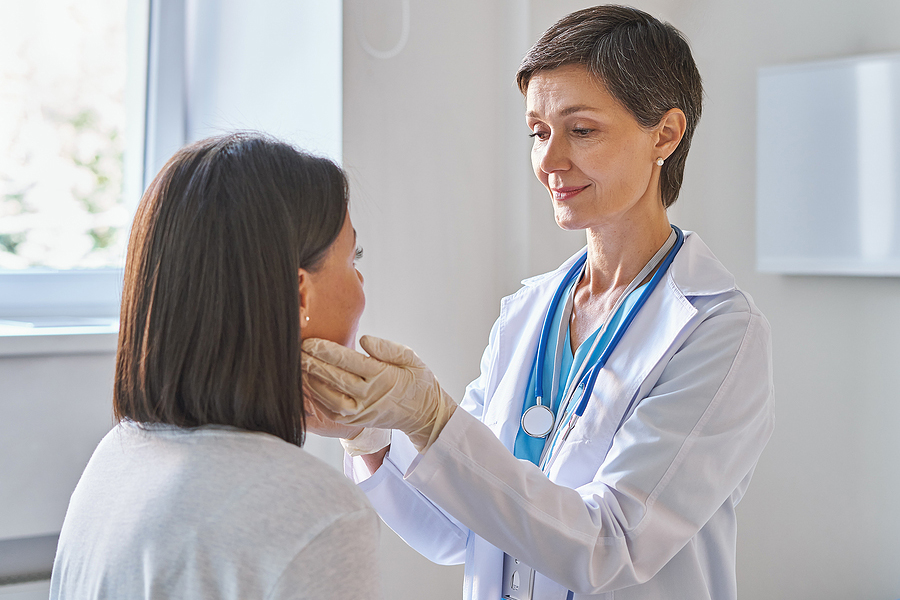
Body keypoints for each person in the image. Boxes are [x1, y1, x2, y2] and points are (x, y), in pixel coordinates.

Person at [301, 6, 775, 600]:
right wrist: (370, 438)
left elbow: (611, 547)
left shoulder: (717, 332)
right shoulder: (528, 312)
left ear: (665, 134)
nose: (549, 161)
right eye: (537, 132)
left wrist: (435, 423)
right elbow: (459, 531)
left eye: (581, 130)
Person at [49, 133, 379, 600]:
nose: (361, 282)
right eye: (353, 259)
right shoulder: (316, 513)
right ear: (300, 293)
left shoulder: (116, 459)